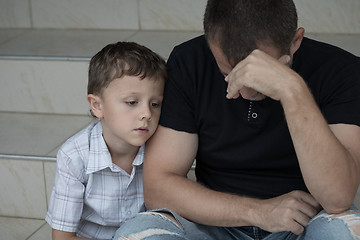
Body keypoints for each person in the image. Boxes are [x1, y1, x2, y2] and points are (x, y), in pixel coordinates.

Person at [113, 0, 360, 239]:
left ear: (295, 41)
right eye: (226, 74)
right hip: (215, 224)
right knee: (136, 234)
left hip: (304, 224)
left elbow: (337, 198)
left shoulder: (340, 70)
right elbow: (159, 187)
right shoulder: (190, 60)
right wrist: (258, 212)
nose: (242, 92)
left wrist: (292, 90)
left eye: (258, 76)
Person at [45, 41, 167, 240]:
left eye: (155, 104)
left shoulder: (160, 146)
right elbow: (63, 237)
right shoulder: (74, 157)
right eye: (131, 102)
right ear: (97, 106)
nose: (146, 113)